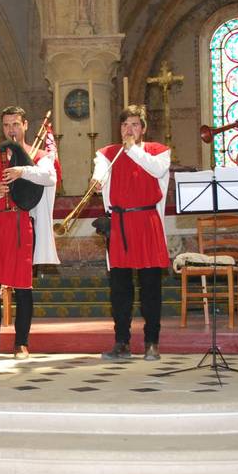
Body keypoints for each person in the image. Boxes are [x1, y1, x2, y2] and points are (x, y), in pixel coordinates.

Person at [0, 105, 59, 359]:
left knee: (23, 286)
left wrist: (22, 171)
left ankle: (21, 343)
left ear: (25, 125)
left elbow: (49, 177)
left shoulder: (39, 155)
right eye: (7, 125)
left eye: (15, 124)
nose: (11, 129)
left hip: (22, 225)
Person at [94, 105, 170, 361]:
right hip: (121, 224)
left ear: (143, 129)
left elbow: (157, 171)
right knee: (120, 289)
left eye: (135, 125)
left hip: (147, 222)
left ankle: (151, 342)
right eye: (125, 125)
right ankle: (121, 341)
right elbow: (100, 171)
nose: (129, 129)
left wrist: (133, 149)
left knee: (150, 288)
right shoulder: (108, 153)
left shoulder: (158, 151)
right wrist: (97, 179)